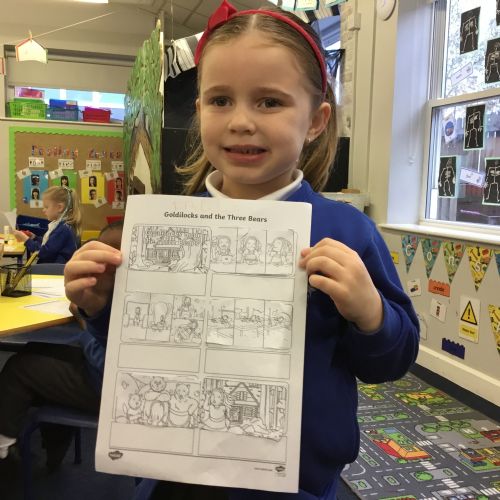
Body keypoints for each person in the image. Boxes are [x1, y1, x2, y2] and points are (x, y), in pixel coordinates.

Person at [63, 1, 419, 498]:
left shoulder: (347, 233)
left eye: (269, 102)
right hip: (175, 475)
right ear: (199, 110)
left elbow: (391, 361)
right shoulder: (167, 227)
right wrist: (100, 307)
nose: (241, 121)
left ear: (316, 121)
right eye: (220, 100)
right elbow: (138, 353)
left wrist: (372, 313)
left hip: (295, 483)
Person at [0, 221, 123, 464]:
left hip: (111, 388)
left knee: (19, 369)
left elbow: (105, 357)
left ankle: (5, 450)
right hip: (105, 373)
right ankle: (52, 440)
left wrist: (86, 324)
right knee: (40, 350)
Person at [14, 186, 81, 264]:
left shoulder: (63, 229)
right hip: (55, 267)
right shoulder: (64, 225)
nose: (43, 210)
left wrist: (26, 239)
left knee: (26, 269)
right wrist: (34, 238)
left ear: (60, 207)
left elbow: (44, 253)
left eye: (46, 207)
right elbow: (50, 244)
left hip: (55, 269)